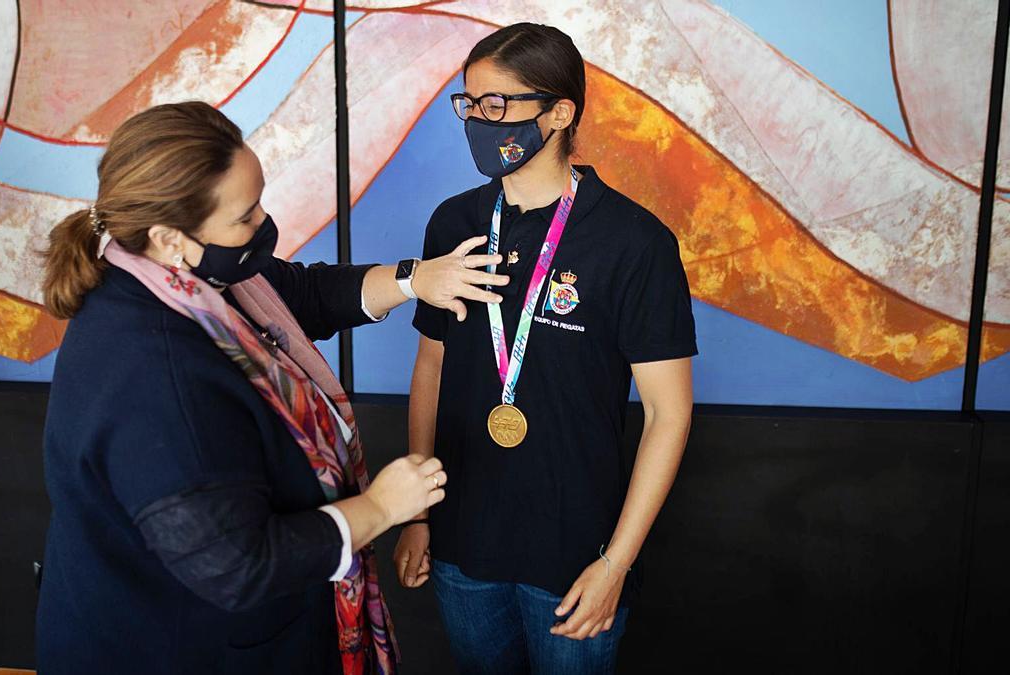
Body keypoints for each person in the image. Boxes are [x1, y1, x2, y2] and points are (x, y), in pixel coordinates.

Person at [35, 101, 509, 674]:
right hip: (179, 646)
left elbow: (300, 296)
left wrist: (414, 280)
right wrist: (382, 507)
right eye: (244, 215)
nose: (263, 223)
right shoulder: (156, 376)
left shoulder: (184, 277)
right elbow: (239, 564)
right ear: (169, 237)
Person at [393, 23, 697, 674]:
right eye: (469, 104)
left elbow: (668, 415)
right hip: (461, 547)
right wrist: (414, 513)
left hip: (575, 555)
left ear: (561, 112)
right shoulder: (455, 223)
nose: (478, 119)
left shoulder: (635, 243)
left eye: (497, 105)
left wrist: (617, 562)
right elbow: (432, 365)